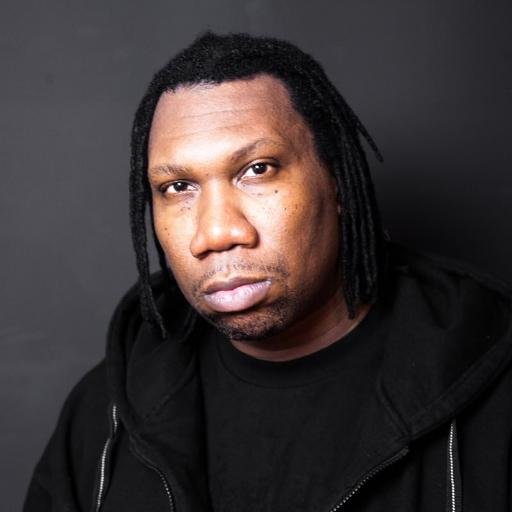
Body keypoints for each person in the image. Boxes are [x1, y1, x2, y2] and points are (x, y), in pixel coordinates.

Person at [24, 32, 512, 512]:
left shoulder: (493, 395)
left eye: (257, 169)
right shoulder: (104, 416)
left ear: (338, 182)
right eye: (178, 187)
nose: (216, 233)